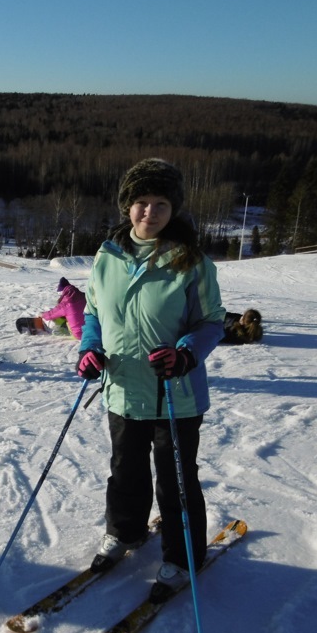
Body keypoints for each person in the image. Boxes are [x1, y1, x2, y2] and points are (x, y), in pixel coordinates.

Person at [76, 158, 226, 602]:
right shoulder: (108, 256)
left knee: (175, 478)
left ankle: (182, 557)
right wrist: (89, 348)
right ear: (128, 206)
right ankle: (125, 532)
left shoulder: (191, 261)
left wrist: (185, 354)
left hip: (174, 393)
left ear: (173, 209)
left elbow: (212, 322)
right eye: (141, 202)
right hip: (122, 388)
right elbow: (92, 312)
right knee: (125, 471)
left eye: (160, 204)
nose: (149, 212)